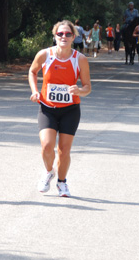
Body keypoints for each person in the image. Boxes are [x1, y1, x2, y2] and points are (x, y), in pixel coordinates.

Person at [28, 20, 92, 197]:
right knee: (47, 146)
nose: (64, 37)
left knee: (64, 150)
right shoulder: (44, 55)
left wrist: (79, 90)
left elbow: (88, 87)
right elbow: (32, 71)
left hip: (70, 109)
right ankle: (49, 172)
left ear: (73, 37)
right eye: (60, 34)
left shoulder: (80, 59)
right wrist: (34, 91)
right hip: (47, 107)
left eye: (68, 34)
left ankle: (62, 183)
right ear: (54, 36)